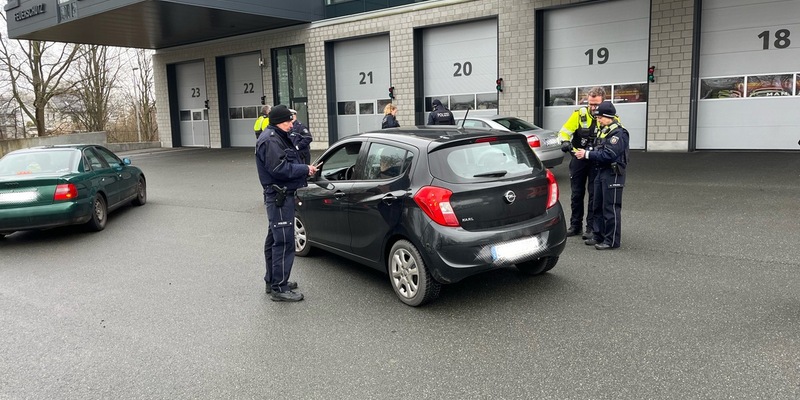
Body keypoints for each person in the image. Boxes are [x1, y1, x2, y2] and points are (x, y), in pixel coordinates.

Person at [255, 105, 318, 301]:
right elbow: (280, 168)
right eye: (288, 121)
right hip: (279, 197)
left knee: (275, 238)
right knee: (283, 241)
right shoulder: (271, 140)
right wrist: (304, 169)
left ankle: (274, 280)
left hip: (280, 196)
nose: (292, 124)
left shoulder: (278, 136)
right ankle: (279, 288)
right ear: (278, 122)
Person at [574, 101, 629, 250]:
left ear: (608, 117)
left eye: (600, 117)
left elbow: (608, 154)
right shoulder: (603, 130)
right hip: (600, 171)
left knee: (610, 207)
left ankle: (611, 241)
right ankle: (598, 235)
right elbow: (596, 147)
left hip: (613, 173)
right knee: (597, 205)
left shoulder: (618, 133)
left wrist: (587, 154)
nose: (598, 120)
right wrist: (586, 151)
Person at [558, 86, 607, 240]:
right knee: (577, 194)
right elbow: (564, 132)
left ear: (603, 102)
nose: (593, 107)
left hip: (595, 160)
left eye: (596, 104)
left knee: (594, 195)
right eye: (591, 103)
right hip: (578, 159)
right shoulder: (580, 114)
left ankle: (591, 228)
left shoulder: (609, 116)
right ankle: (575, 225)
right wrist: (565, 142)